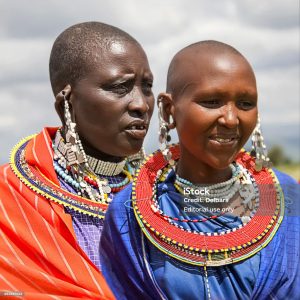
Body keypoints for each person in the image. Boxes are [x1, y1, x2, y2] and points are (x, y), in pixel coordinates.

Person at [100, 40, 300, 300]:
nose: (231, 118)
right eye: (212, 101)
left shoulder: (286, 198)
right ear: (169, 110)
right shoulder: (130, 211)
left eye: (246, 104)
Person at [0, 21, 154, 299]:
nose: (141, 104)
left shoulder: (163, 196)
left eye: (147, 86)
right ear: (66, 103)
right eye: (121, 86)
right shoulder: (8, 198)